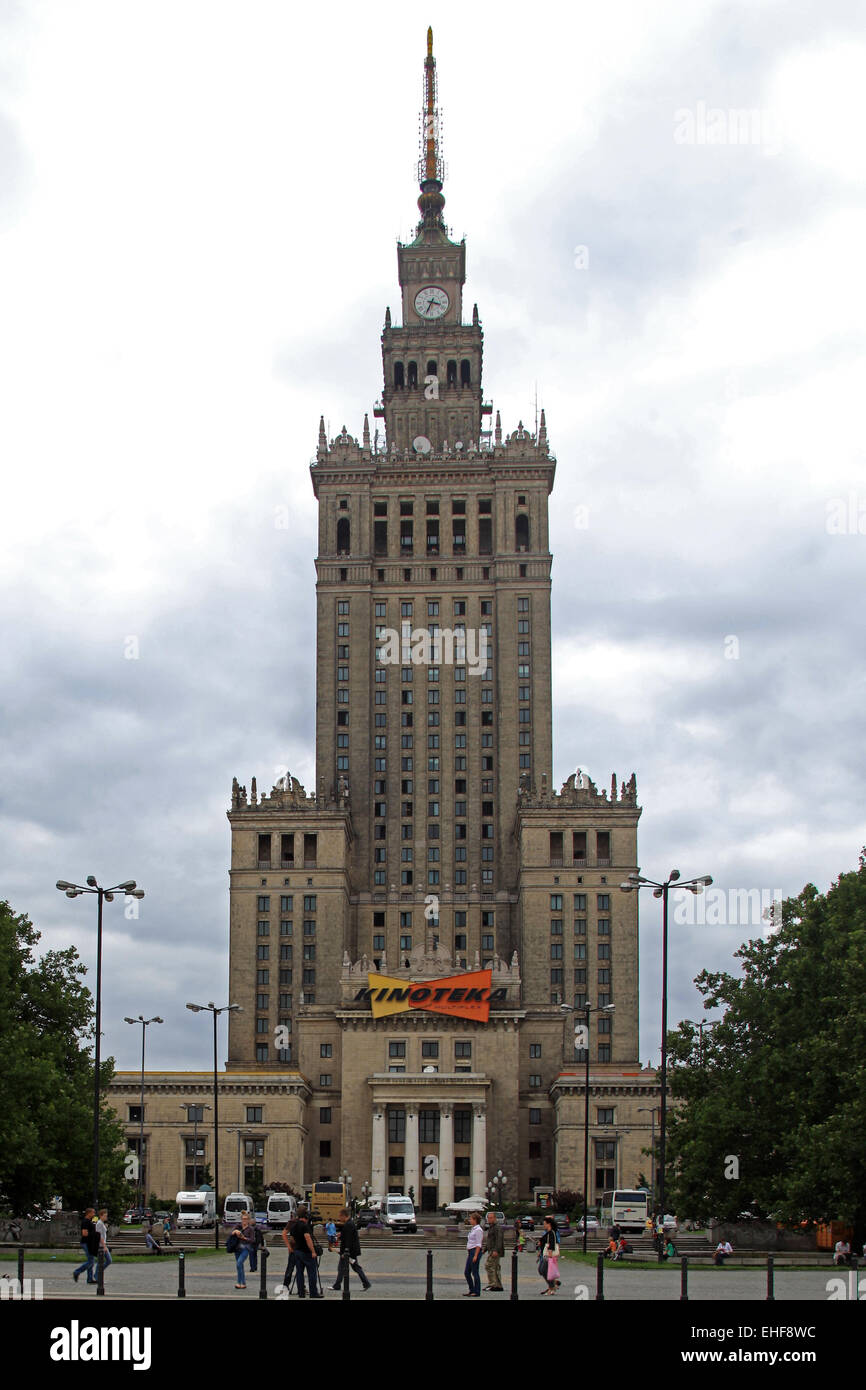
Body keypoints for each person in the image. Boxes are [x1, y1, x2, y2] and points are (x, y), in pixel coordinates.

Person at [331, 1207, 371, 1292]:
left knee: (353, 1267)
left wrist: (345, 1252)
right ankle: (337, 1285)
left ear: (343, 1216)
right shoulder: (349, 1223)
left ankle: (366, 1283)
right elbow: (347, 1236)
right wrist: (341, 1236)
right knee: (346, 1267)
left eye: (340, 1216)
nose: (339, 1218)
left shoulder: (348, 1224)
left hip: (349, 1252)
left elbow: (348, 1240)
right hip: (350, 1251)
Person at [291, 1204, 323, 1298]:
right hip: (306, 1252)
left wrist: (295, 1247)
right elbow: (308, 1239)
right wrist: (313, 1251)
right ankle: (313, 1293)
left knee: (299, 1273)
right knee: (312, 1273)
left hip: (297, 1251)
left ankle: (301, 1292)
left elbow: (292, 1240)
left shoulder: (294, 1226)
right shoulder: (305, 1226)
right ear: (306, 1216)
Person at [73, 1208, 100, 1284]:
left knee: (91, 1260)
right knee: (90, 1261)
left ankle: (90, 1278)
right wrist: (94, 1234)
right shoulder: (85, 1222)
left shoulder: (89, 1221)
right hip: (86, 1243)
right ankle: (77, 1272)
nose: (94, 1214)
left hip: (89, 1243)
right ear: (89, 1213)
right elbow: (84, 1233)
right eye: (93, 1213)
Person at [232, 1210, 257, 1289]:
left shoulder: (250, 1229)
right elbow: (231, 1234)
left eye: (246, 1219)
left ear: (248, 1220)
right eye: (243, 1219)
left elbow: (253, 1240)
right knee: (240, 1267)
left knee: (239, 1264)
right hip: (237, 1248)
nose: (244, 1220)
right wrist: (235, 1231)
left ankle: (240, 1282)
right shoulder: (238, 1227)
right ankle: (242, 1283)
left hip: (245, 1248)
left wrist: (244, 1238)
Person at [482, 1210, 505, 1291]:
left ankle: (493, 1284)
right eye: (488, 1218)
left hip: (494, 1251)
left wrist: (496, 1250)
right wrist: (484, 1250)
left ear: (495, 1218)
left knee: (489, 1266)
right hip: (491, 1250)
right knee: (494, 1267)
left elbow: (499, 1239)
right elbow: (489, 1240)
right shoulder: (491, 1227)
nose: (489, 1219)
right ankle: (497, 1285)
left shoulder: (497, 1227)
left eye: (491, 1218)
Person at [539, 1215, 560, 1294]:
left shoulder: (552, 1233)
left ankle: (552, 1286)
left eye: (544, 1223)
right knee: (542, 1270)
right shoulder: (548, 1232)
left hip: (548, 1255)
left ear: (549, 1224)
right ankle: (552, 1285)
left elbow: (552, 1243)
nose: (543, 1225)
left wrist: (550, 1254)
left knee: (544, 1270)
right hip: (545, 1254)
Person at [463, 1211, 483, 1296]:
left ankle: (476, 1291)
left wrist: (475, 1255)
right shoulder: (473, 1228)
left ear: (475, 1220)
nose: (469, 1220)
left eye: (471, 1219)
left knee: (475, 1272)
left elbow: (479, 1244)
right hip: (471, 1251)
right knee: (467, 1272)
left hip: (475, 1251)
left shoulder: (478, 1230)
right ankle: (472, 1289)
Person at [95, 1208, 112, 1278]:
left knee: (105, 1261)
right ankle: (97, 1274)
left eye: (106, 1216)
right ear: (101, 1216)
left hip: (102, 1244)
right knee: (107, 1260)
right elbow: (99, 1236)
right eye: (105, 1216)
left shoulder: (101, 1223)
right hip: (101, 1245)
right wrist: (104, 1246)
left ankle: (97, 1274)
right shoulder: (99, 1223)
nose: (106, 1217)